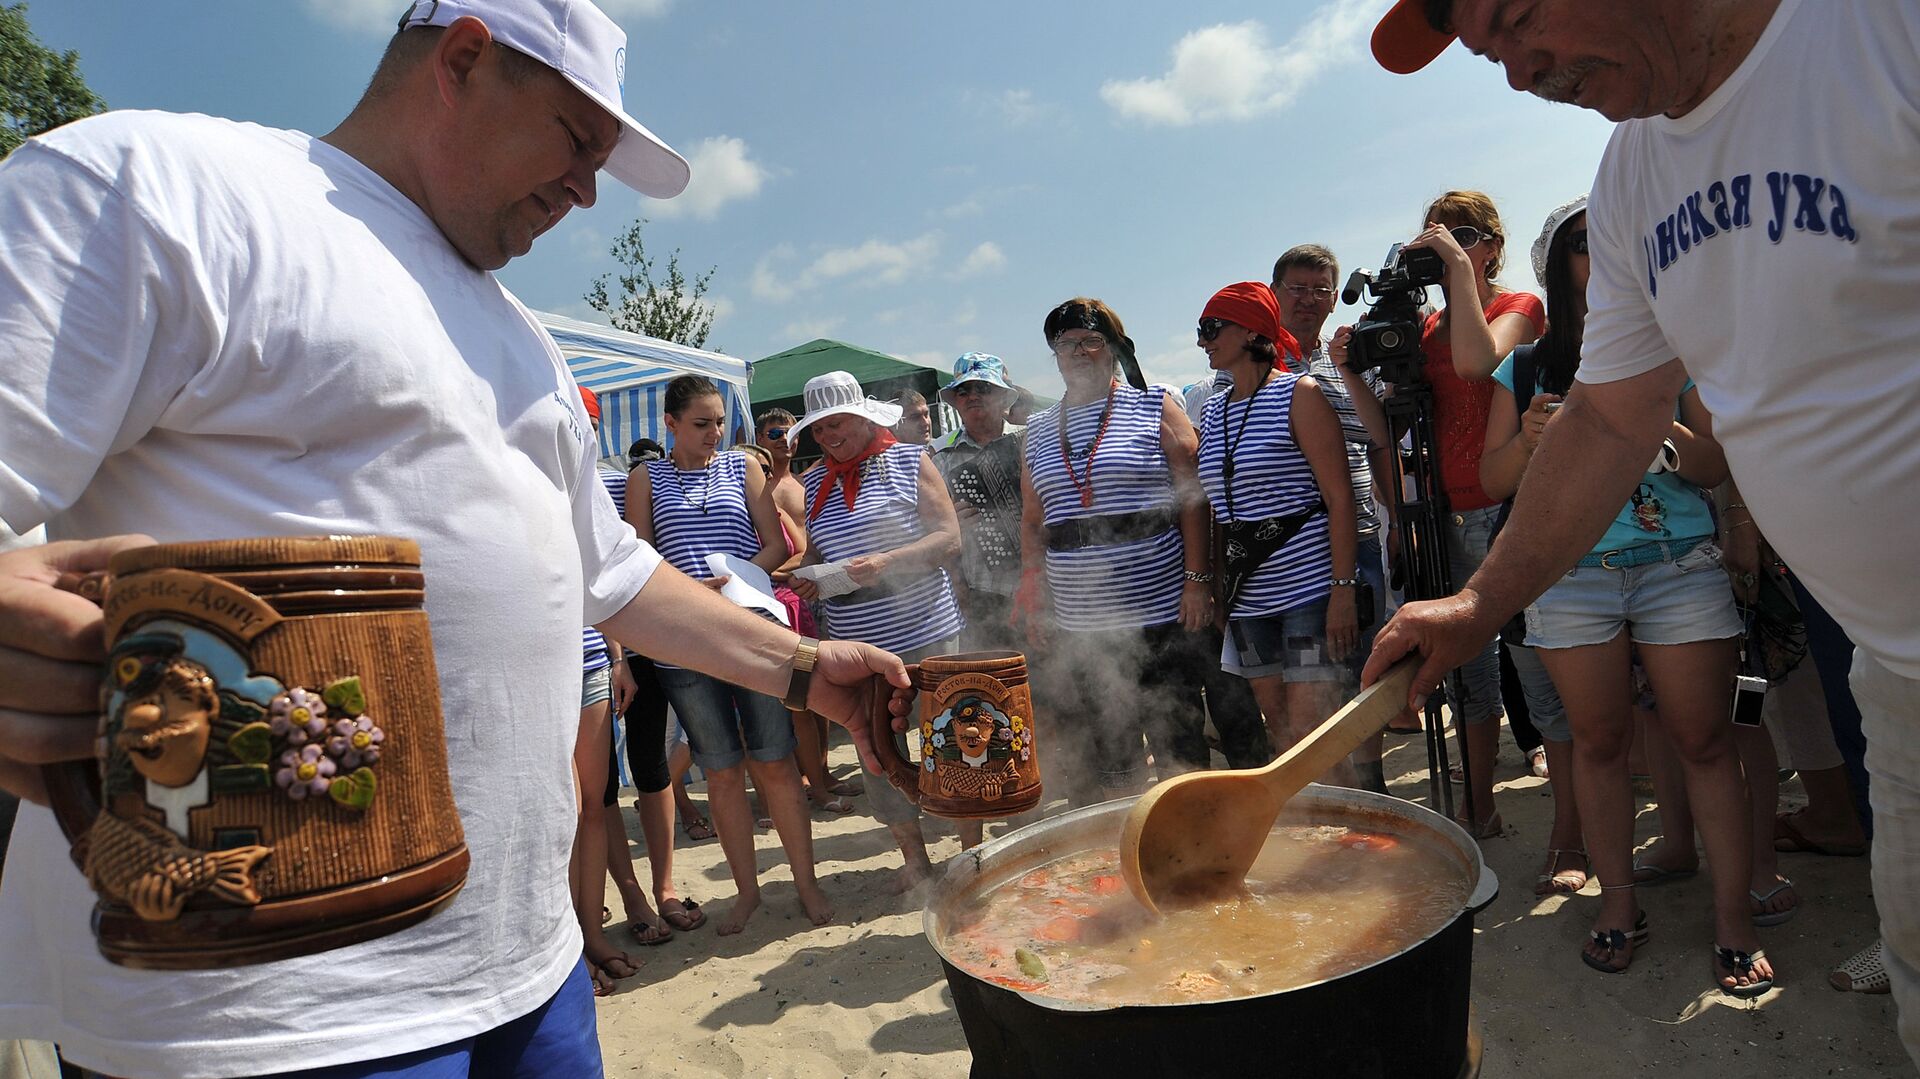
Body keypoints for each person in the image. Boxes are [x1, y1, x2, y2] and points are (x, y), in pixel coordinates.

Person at [0, 3, 914, 1074]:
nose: (584, 190)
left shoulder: (518, 332)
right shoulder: (156, 186)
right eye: (578, 141)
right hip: (263, 1006)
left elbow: (609, 573)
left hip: (526, 963)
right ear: (466, 57)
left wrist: (804, 670)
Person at [1366, 0, 1919, 1013]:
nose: (1519, 74)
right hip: (1900, 671)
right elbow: (1614, 417)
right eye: (1492, 56)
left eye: (1519, 21)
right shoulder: (1632, 173)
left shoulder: (1872, 29)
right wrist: (1479, 604)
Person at [1342, 190, 1544, 838]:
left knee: (1542, 670)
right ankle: (1478, 806)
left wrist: (1457, 273)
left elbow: (1478, 360)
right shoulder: (1422, 330)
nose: (1446, 244)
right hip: (1441, 516)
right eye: (1435, 234)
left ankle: (1570, 828)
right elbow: (1385, 430)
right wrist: (1350, 374)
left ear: (1491, 244)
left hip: (1510, 509)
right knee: (1469, 676)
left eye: (1461, 233)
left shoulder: (1519, 307)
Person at [627, 375, 830, 935]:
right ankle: (747, 894)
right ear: (669, 424)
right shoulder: (645, 478)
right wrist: (690, 594)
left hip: (749, 629)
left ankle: (807, 885)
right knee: (720, 771)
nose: (715, 433)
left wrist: (739, 576)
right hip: (683, 642)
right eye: (701, 423)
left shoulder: (743, 467)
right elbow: (639, 560)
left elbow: (776, 542)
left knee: (775, 762)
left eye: (720, 422)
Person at [1017, 298, 1216, 804]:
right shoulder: (1037, 431)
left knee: (1177, 735)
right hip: (1081, 621)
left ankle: (1195, 845)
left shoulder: (1156, 405)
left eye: (1091, 340)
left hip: (1160, 608)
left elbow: (1193, 499)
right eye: (1066, 343)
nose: (1079, 351)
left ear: (1114, 349)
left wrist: (1198, 581)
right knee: (1112, 744)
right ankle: (1127, 849)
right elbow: (1033, 523)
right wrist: (1034, 599)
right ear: (1055, 354)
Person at [788, 371, 964, 891]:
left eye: (836, 424)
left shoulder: (911, 461)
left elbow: (949, 538)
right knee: (879, 753)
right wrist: (808, 576)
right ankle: (916, 861)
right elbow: (819, 551)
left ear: (864, 418)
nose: (827, 436)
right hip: (856, 642)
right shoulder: (814, 481)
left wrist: (886, 561)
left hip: (927, 625)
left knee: (950, 740)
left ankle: (971, 851)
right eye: (818, 430)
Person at [1192, 283, 1360, 778]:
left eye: (1210, 328)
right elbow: (1221, 511)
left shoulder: (1299, 394)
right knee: (1283, 733)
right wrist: (1220, 592)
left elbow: (1339, 497)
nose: (1203, 342)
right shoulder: (1213, 410)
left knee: (1314, 733)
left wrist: (1343, 591)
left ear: (1250, 330)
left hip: (1307, 594)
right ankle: (1315, 835)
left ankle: (1353, 837)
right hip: (1248, 603)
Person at [1272, 246, 1396, 789]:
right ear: (1274, 293)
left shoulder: (1350, 359)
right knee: (1298, 682)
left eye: (1321, 289)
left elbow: (1380, 440)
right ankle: (1318, 794)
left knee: (1364, 670)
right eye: (1297, 288)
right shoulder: (1248, 366)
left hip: (1361, 534)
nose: (1309, 299)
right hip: (1286, 548)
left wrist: (1399, 529)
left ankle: (1371, 787)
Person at [931, 353, 1028, 654]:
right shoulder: (939, 455)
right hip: (979, 589)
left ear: (1003, 397)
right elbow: (927, 530)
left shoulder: (1031, 439)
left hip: (1042, 583)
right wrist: (949, 525)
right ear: (955, 401)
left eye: (983, 388)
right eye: (964, 391)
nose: (973, 396)